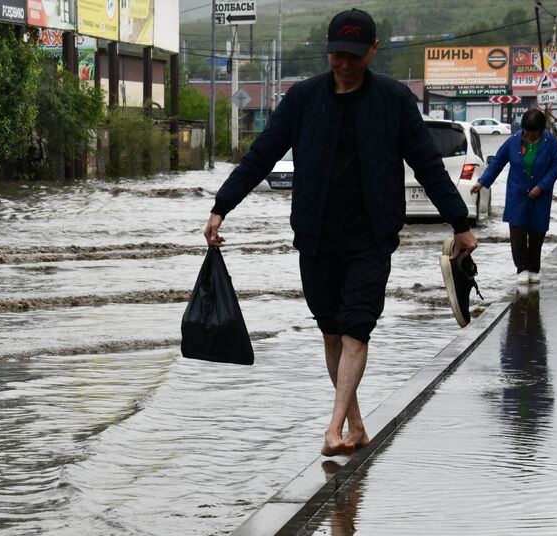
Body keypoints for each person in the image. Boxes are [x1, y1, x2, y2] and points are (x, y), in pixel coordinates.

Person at [203, 8, 477, 457]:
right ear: (328, 52)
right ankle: (355, 424)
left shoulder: (393, 100)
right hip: (316, 235)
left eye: (354, 55)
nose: (345, 65)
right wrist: (222, 206)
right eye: (337, 56)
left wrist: (459, 222)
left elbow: (426, 164)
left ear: (372, 50)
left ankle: (332, 430)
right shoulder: (304, 99)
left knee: (356, 328)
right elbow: (262, 154)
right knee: (331, 330)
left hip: (371, 234)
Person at [471, 108, 557, 288]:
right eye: (525, 132)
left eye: (532, 133)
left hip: (540, 196)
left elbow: (556, 166)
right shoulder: (513, 141)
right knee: (518, 232)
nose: (527, 136)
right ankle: (522, 269)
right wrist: (482, 182)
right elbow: (497, 162)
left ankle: (534, 269)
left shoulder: (549, 142)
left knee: (537, 232)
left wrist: (542, 187)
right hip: (517, 194)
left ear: (541, 130)